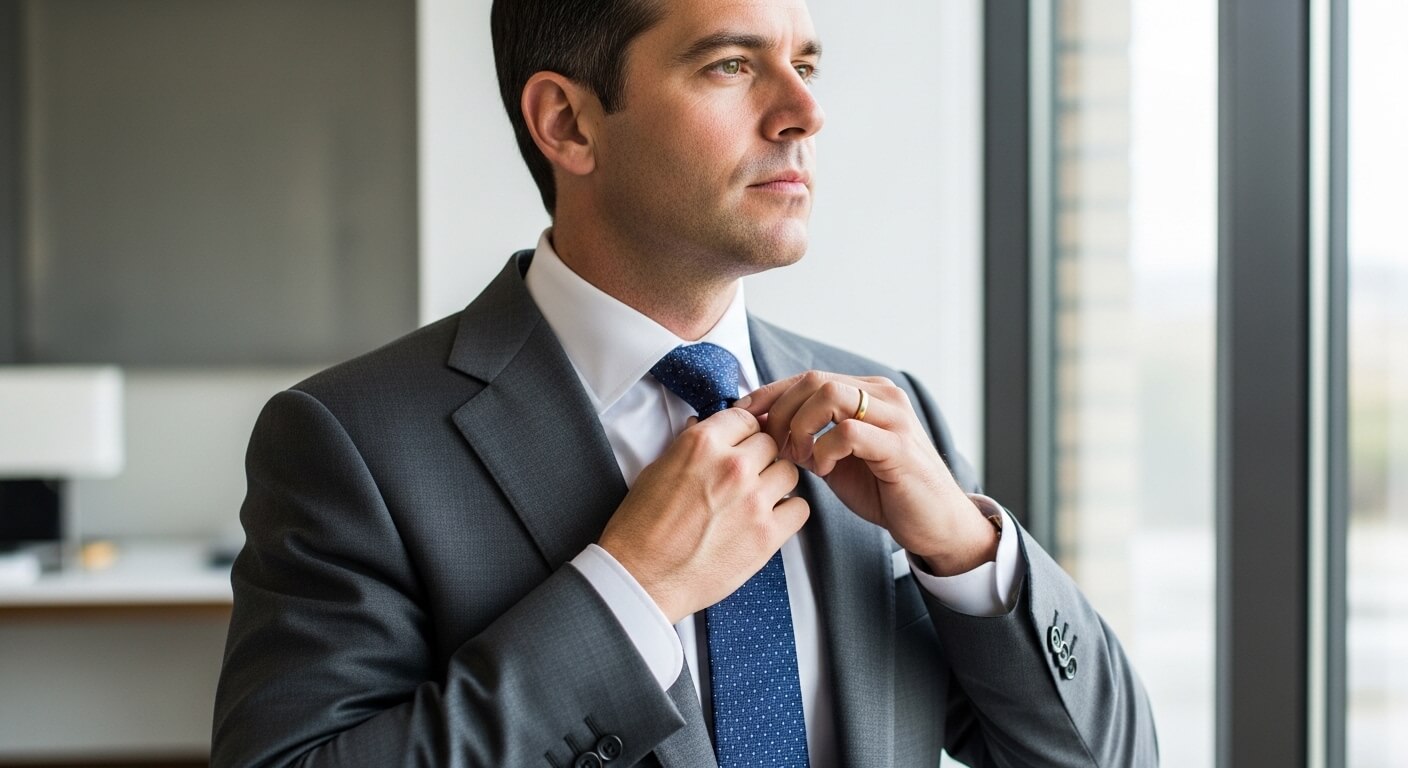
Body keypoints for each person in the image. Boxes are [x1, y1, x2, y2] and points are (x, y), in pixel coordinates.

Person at [211, 0, 1158, 765]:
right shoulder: (350, 441)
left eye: (807, 64)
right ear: (568, 123)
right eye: (731, 65)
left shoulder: (887, 408)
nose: (804, 111)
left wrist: (964, 550)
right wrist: (630, 591)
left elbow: (1107, 756)